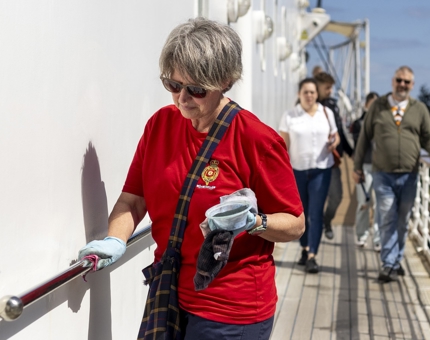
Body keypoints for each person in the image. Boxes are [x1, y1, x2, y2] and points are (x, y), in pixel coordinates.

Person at [78, 17, 305, 339]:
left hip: (231, 311)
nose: (182, 98)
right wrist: (115, 239)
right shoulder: (160, 125)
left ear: (225, 81)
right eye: (173, 85)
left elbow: (295, 223)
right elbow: (133, 199)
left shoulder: (256, 139)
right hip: (168, 293)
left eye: (196, 89)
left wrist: (254, 223)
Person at [353, 66, 430, 283]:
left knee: (403, 220)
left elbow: (427, 138)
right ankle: (388, 263)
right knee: (387, 217)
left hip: (410, 174)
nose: (402, 85)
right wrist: (357, 166)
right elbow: (364, 138)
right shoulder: (378, 107)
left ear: (412, 85)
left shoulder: (420, 109)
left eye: (407, 82)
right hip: (382, 174)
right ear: (392, 81)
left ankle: (396, 260)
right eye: (399, 80)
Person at [279, 78, 340, 274]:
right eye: (305, 92)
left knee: (316, 213)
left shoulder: (326, 113)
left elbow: (336, 135)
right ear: (299, 94)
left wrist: (334, 142)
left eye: (312, 92)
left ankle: (313, 254)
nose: (309, 95)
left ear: (317, 94)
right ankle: (304, 249)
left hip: (321, 169)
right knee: (301, 214)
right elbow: (282, 146)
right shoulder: (289, 116)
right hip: (296, 170)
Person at [314, 72, 354, 240]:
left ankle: (327, 220)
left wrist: (352, 152)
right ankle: (308, 248)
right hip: (312, 161)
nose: (330, 91)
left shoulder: (333, 106)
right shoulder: (306, 105)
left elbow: (340, 132)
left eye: (331, 87)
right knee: (312, 201)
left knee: (337, 196)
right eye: (327, 88)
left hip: (332, 160)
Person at [350, 92, 380, 250]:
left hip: (381, 168)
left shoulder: (383, 123)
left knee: (380, 204)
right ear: (366, 105)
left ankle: (378, 238)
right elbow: (357, 147)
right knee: (364, 203)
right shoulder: (359, 123)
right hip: (364, 167)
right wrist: (357, 168)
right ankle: (361, 235)